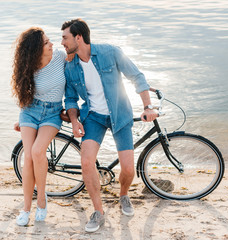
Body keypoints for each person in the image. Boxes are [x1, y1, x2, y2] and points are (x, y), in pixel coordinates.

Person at [61, 19, 157, 232]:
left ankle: (123, 195)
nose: (62, 42)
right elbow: (70, 99)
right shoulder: (70, 66)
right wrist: (75, 121)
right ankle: (98, 211)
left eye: (65, 38)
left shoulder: (110, 52)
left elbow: (136, 76)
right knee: (86, 162)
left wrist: (147, 106)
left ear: (78, 37)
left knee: (129, 169)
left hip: (119, 114)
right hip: (93, 117)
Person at [11, 27, 66, 226]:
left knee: (37, 150)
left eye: (50, 40)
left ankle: (41, 199)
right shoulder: (27, 67)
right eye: (46, 43)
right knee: (28, 155)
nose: (52, 44)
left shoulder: (60, 57)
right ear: (35, 49)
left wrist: (72, 109)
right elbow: (24, 96)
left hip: (52, 113)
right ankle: (26, 207)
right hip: (30, 112)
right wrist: (22, 120)